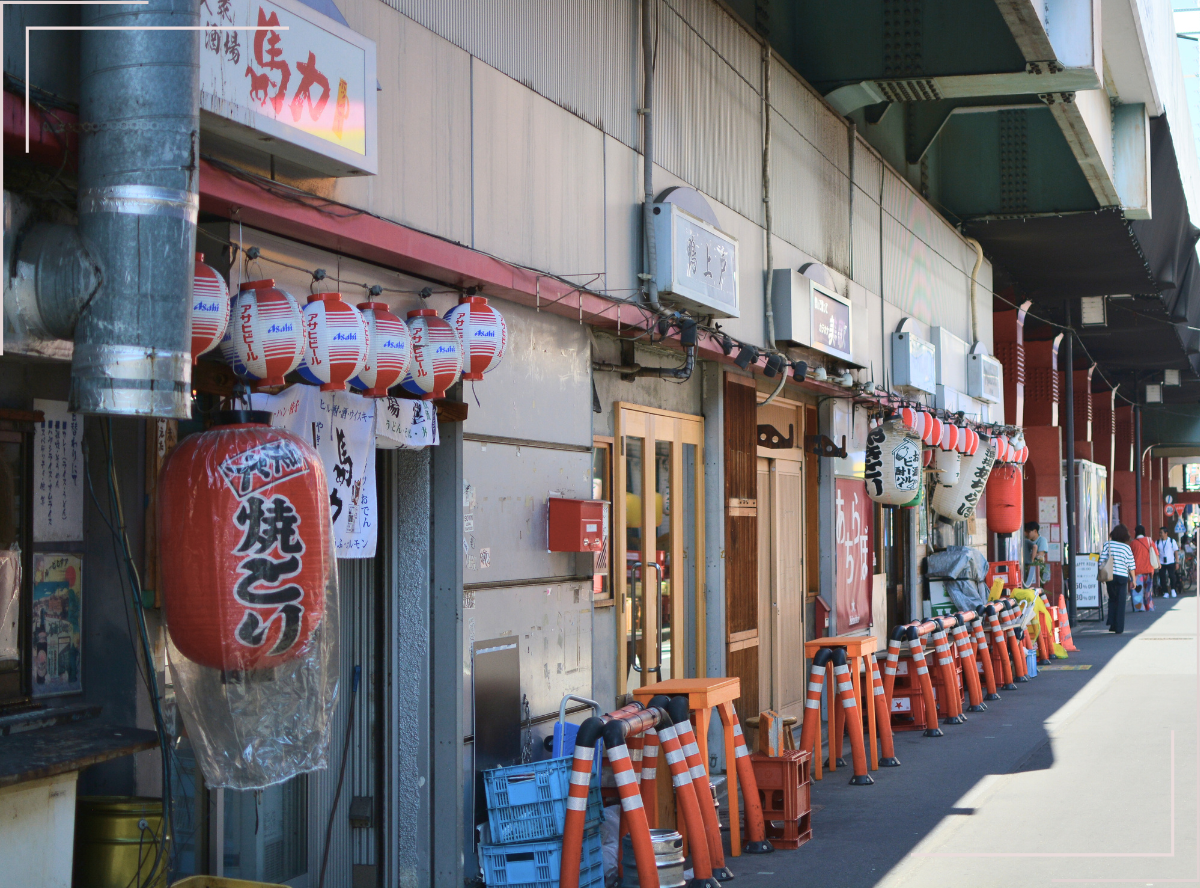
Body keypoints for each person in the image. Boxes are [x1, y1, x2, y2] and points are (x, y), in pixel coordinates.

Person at [1102, 525, 1136, 634]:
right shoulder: (1126, 548)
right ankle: (1119, 627)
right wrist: (1133, 580)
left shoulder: (1108, 545)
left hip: (1110, 576)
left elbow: (1102, 560)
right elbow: (1131, 565)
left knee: (1112, 599)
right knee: (1121, 601)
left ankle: (1112, 623)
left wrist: (1101, 574)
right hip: (1122, 576)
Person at [1131, 525, 1156, 611]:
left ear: (1136, 532)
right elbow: (1156, 553)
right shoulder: (1149, 541)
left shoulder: (1133, 543)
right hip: (1149, 569)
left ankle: (1139, 607)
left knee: (1137, 590)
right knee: (1148, 590)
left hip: (1137, 571)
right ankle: (1149, 606)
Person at [1024, 521, 1050, 588]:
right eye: (1026, 532)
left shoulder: (1042, 540)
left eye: (1029, 532)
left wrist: (1032, 557)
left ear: (1035, 531)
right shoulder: (1026, 540)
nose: (1027, 534)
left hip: (1036, 569)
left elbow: (1040, 556)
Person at [1156, 526, 1180, 599]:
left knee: (1172, 576)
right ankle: (1165, 592)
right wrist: (1158, 562)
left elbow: (1176, 552)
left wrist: (1177, 562)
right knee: (1162, 577)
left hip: (1171, 561)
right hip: (1161, 562)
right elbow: (1156, 553)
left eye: (1161, 533)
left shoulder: (1172, 541)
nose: (1160, 534)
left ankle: (1173, 589)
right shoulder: (1157, 542)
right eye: (1159, 533)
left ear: (1166, 533)